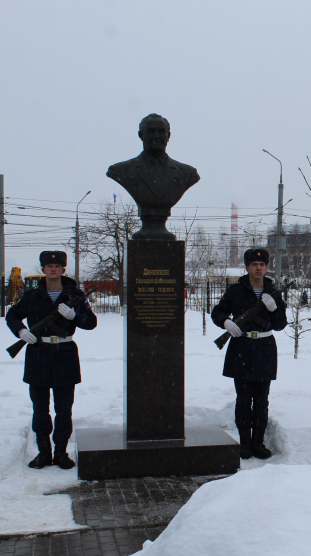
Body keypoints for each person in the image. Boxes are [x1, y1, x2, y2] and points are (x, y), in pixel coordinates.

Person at [6, 251, 98, 470]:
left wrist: (74, 316)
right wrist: (21, 332)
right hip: (38, 353)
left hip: (65, 353)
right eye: (49, 266)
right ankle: (43, 453)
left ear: (63, 270)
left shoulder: (74, 295)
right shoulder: (32, 295)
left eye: (57, 266)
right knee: (40, 408)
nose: (53, 269)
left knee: (64, 409)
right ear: (43, 269)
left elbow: (91, 323)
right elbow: (12, 315)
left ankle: (61, 453)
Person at [211, 248, 287, 460]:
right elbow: (217, 312)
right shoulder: (236, 291)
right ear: (247, 267)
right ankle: (245, 442)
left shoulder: (273, 293)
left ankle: (258, 442)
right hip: (241, 348)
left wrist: (274, 309)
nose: (258, 268)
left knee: (262, 400)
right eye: (254, 264)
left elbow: (281, 324)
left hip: (264, 349)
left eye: (262, 264)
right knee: (243, 400)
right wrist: (226, 322)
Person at [106, 113, 200, 240]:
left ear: (168, 136)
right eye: (151, 131)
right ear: (141, 135)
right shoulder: (121, 171)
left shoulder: (187, 173)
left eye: (161, 131)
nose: (157, 136)